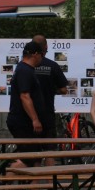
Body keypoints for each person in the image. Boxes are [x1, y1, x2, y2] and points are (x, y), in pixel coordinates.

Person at [6, 41, 47, 170]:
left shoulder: (25, 69)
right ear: (35, 54)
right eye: (42, 54)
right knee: (29, 158)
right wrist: (35, 119)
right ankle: (2, 184)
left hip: (25, 122)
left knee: (36, 155)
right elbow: (24, 96)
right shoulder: (25, 70)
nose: (42, 57)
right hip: (22, 122)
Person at [32, 35, 69, 167]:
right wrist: (52, 90)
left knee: (34, 152)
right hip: (47, 114)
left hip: (30, 115)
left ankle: (34, 186)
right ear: (46, 47)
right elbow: (64, 90)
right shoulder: (52, 65)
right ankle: (49, 185)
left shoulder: (25, 66)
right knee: (49, 151)